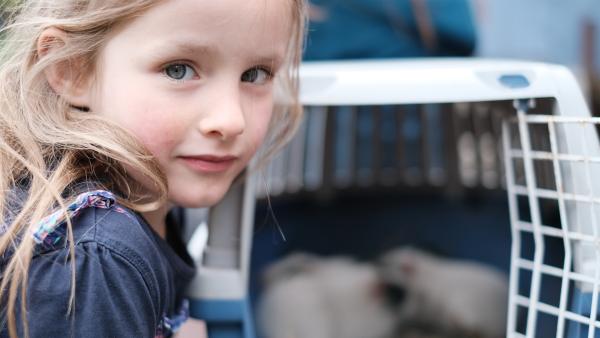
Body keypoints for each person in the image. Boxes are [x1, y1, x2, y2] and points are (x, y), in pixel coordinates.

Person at [0, 0, 307, 337]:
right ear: (72, 70)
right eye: (178, 69)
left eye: (255, 74)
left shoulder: (146, 205)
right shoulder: (94, 259)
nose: (231, 120)